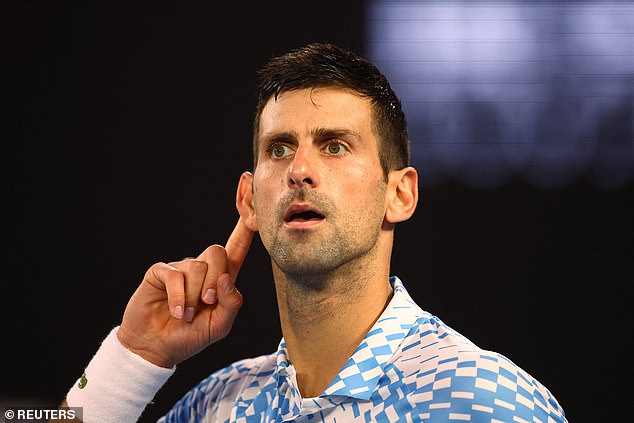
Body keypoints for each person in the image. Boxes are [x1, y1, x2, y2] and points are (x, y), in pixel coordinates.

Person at [59, 43, 567, 422]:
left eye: (335, 146)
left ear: (400, 194)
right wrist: (131, 357)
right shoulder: (214, 405)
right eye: (278, 149)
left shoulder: (490, 402)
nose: (299, 169)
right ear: (248, 200)